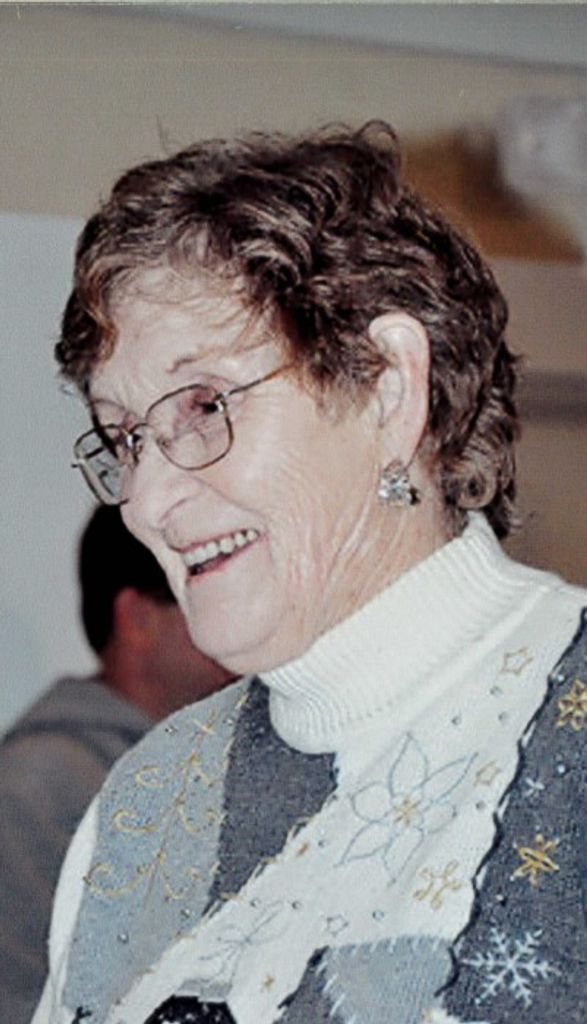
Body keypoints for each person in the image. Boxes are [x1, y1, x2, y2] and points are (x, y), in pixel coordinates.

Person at [33, 122, 585, 1024]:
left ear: (388, 389)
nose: (144, 500)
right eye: (126, 436)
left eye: (203, 404)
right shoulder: (145, 804)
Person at [0, 507, 231, 1023]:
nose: (230, 622)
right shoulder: (40, 785)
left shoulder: (210, 763)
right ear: (138, 618)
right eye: (200, 595)